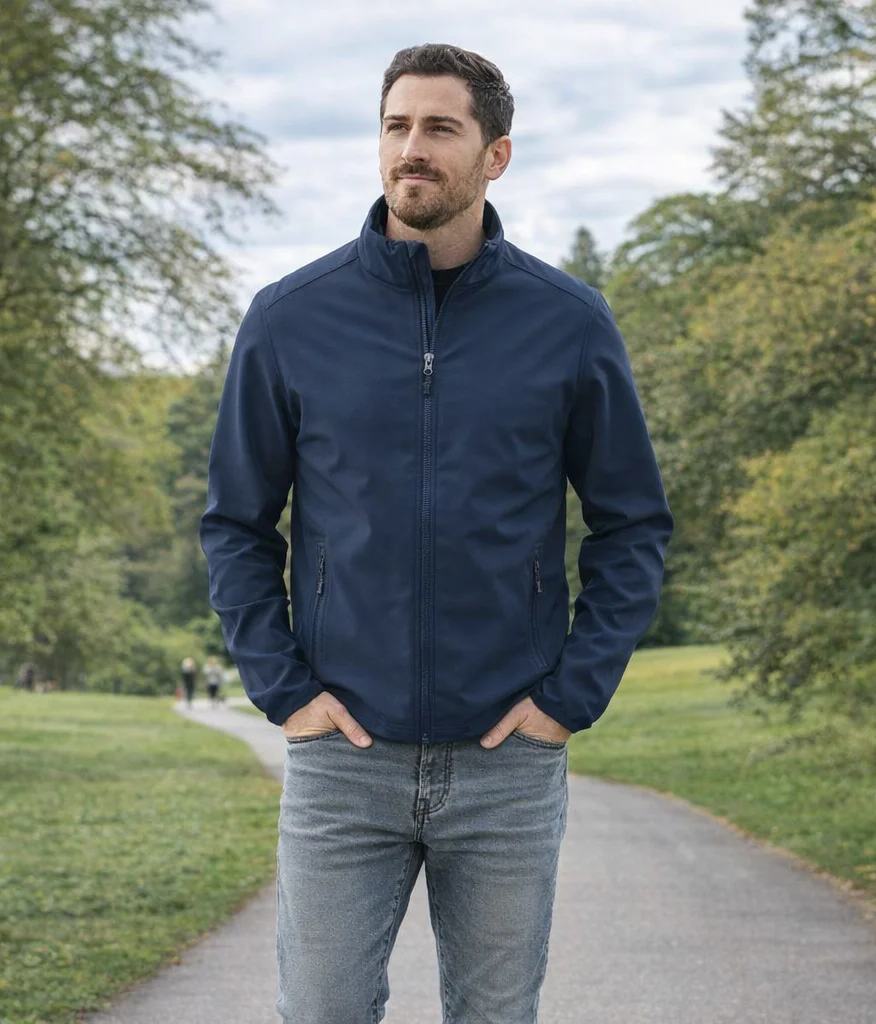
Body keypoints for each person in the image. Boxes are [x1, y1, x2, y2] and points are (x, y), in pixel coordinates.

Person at [201, 43, 673, 1024]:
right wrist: (286, 692)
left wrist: (567, 697)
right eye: (395, 126)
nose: (411, 149)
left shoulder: (569, 323)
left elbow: (631, 526)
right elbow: (236, 525)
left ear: (494, 155)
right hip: (343, 759)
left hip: (507, 761)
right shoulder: (290, 319)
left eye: (439, 129)